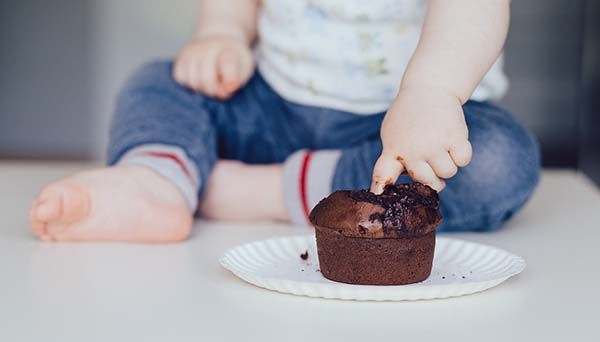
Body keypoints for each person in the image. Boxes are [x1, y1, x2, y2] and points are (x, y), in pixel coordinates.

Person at [29, 0, 540, 242]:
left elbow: (472, 11)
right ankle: (155, 179)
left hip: (397, 139)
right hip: (272, 111)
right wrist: (223, 32)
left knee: (498, 159)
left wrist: (433, 92)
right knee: (160, 81)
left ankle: (258, 191)